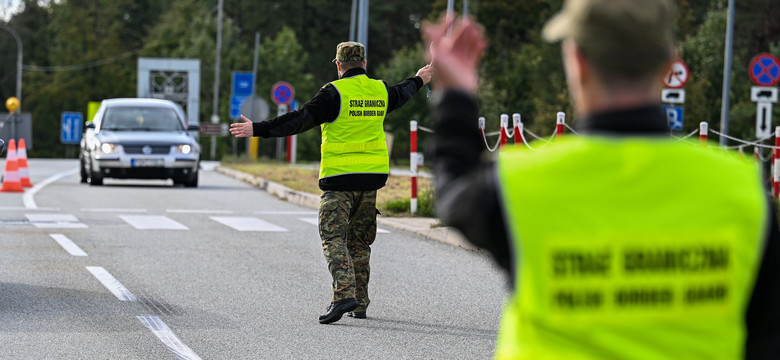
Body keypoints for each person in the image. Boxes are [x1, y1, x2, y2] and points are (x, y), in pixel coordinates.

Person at [424, 1, 778, 359]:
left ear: (577, 61)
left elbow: (454, 191)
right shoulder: (743, 189)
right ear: (670, 64)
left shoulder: (521, 183)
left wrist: (456, 96)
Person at [231, 41, 432, 324]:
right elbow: (404, 91)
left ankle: (343, 295)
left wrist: (258, 129)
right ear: (364, 63)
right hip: (372, 178)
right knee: (359, 241)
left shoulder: (333, 93)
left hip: (339, 179)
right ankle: (359, 303)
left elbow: (299, 120)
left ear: (338, 65)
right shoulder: (380, 90)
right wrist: (421, 78)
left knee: (332, 236)